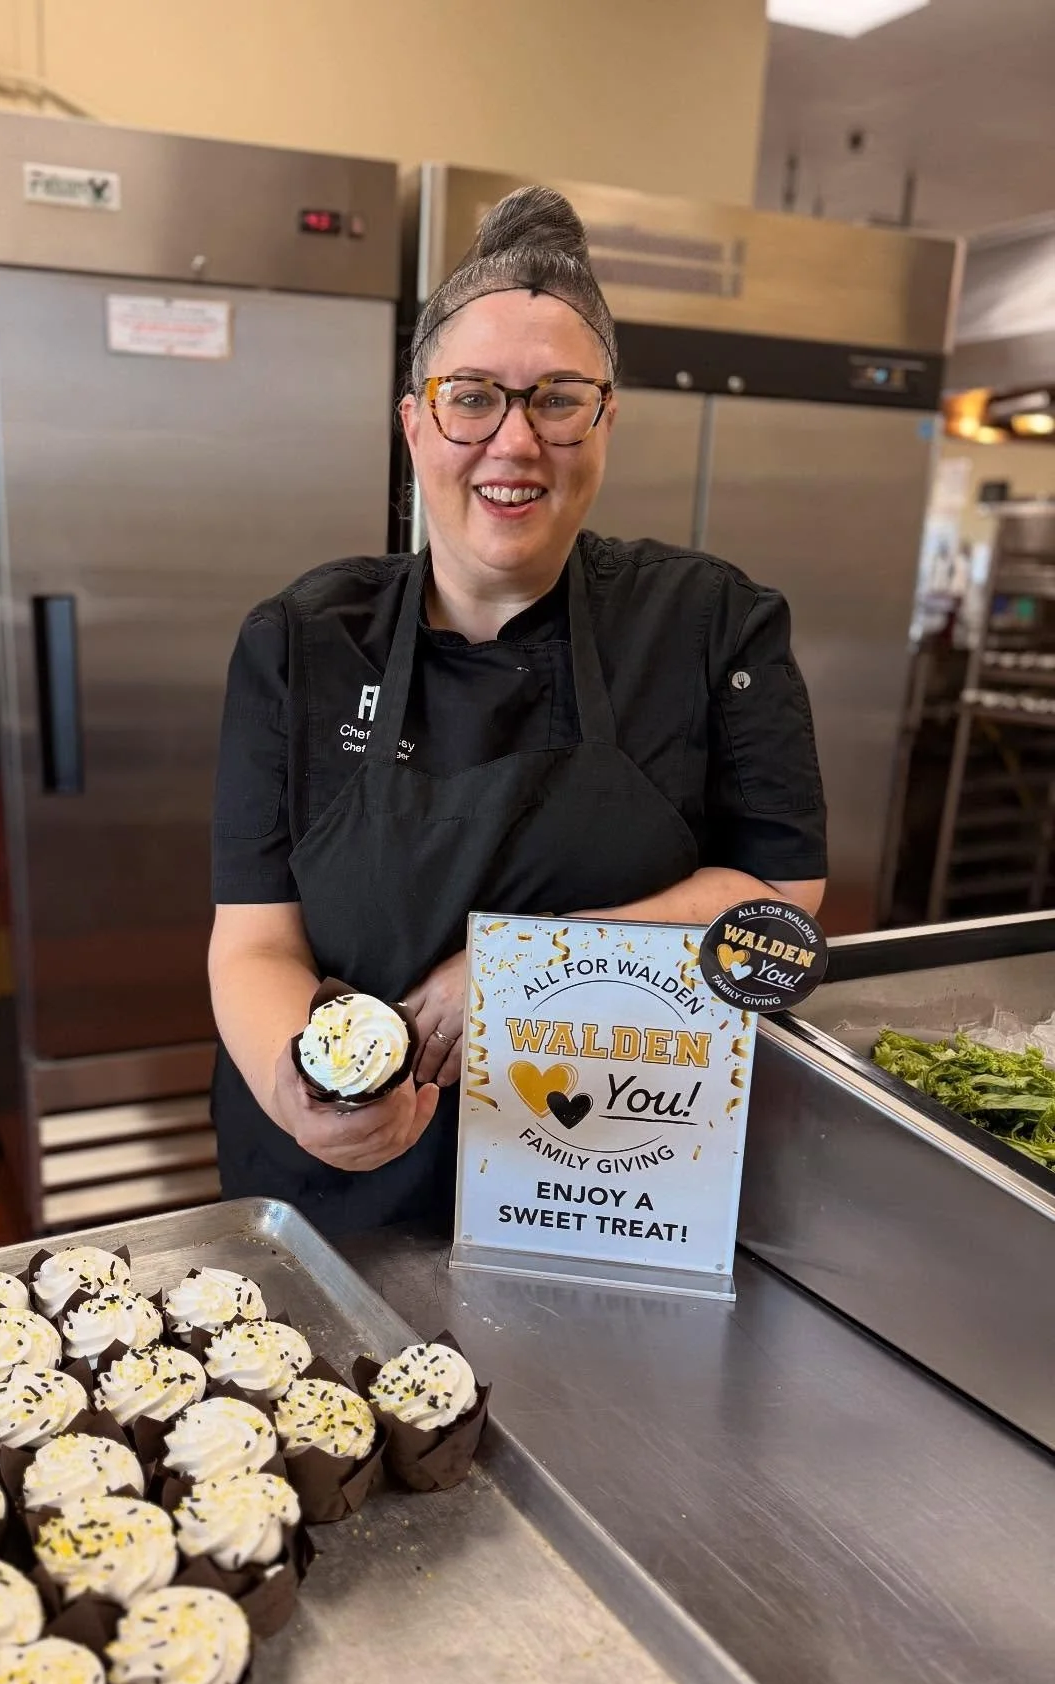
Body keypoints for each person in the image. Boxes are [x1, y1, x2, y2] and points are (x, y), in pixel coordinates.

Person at [208, 185, 826, 1237]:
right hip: (343, 1197)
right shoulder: (301, 641)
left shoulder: (710, 622)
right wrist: (296, 1097)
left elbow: (779, 903)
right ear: (415, 422)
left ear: (605, 421)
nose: (513, 441)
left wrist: (519, 973)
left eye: (557, 399)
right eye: (472, 396)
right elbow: (256, 939)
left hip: (610, 1184)